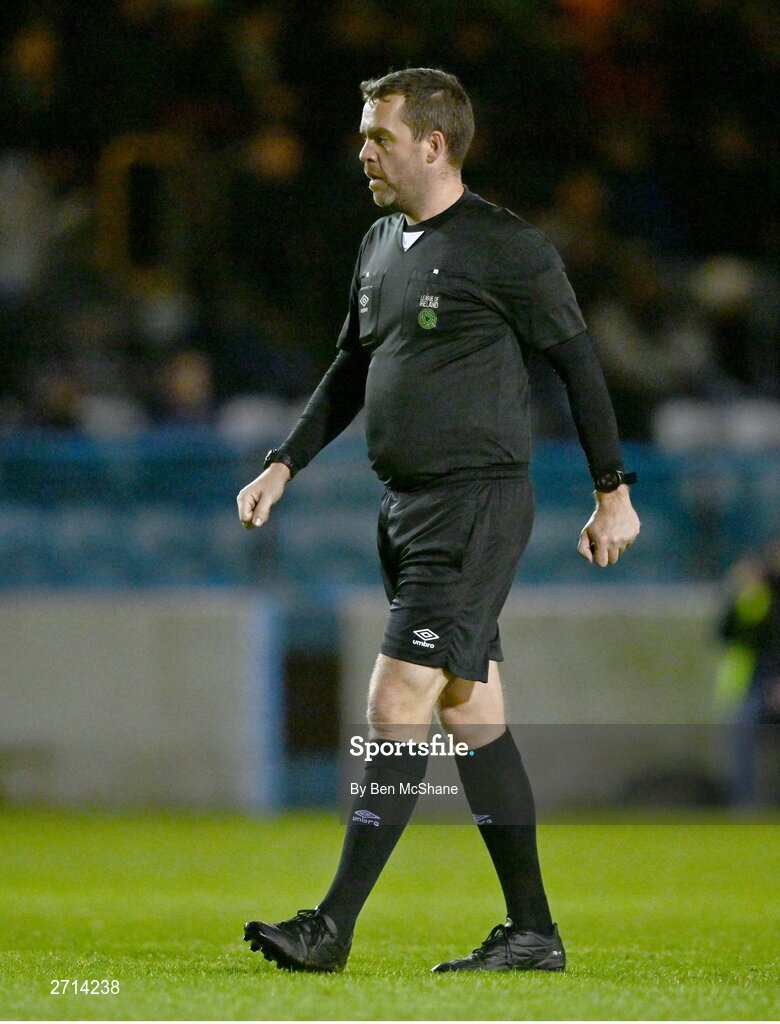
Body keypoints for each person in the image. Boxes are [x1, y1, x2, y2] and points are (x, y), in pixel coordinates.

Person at [237, 68, 640, 974]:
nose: (363, 152)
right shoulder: (380, 242)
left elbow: (579, 367)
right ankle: (533, 931)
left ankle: (331, 924)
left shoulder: (508, 248)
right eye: (362, 134)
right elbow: (349, 367)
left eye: (379, 136)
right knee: (472, 716)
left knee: (395, 702)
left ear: (434, 143)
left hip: (473, 504)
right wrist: (283, 462)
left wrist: (612, 489)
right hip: (405, 509)